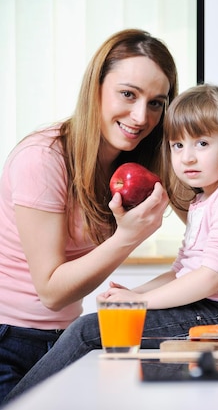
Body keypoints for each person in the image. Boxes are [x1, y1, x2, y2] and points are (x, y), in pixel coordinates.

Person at [2, 83, 218, 404]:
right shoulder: (205, 201)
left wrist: (139, 303)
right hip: (210, 309)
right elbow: (182, 270)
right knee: (99, 332)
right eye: (177, 145)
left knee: (89, 331)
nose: (188, 157)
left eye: (203, 142)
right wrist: (134, 295)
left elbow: (210, 277)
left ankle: (18, 404)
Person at [0, 29, 177, 403]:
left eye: (156, 103)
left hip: (60, 339)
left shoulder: (133, 165)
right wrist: (129, 236)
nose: (141, 116)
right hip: (8, 342)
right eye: (128, 94)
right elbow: (51, 291)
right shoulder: (43, 157)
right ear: (95, 88)